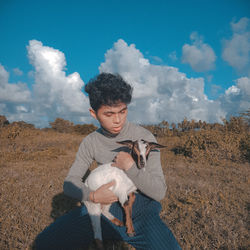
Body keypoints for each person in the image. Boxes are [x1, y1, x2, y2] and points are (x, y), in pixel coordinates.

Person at [35, 73, 181, 249]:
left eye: (122, 111)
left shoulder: (144, 138)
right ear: (93, 113)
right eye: (109, 114)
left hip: (142, 207)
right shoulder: (90, 141)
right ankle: (107, 230)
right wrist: (93, 195)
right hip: (103, 206)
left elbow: (159, 192)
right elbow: (69, 183)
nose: (118, 120)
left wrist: (130, 167)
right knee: (45, 242)